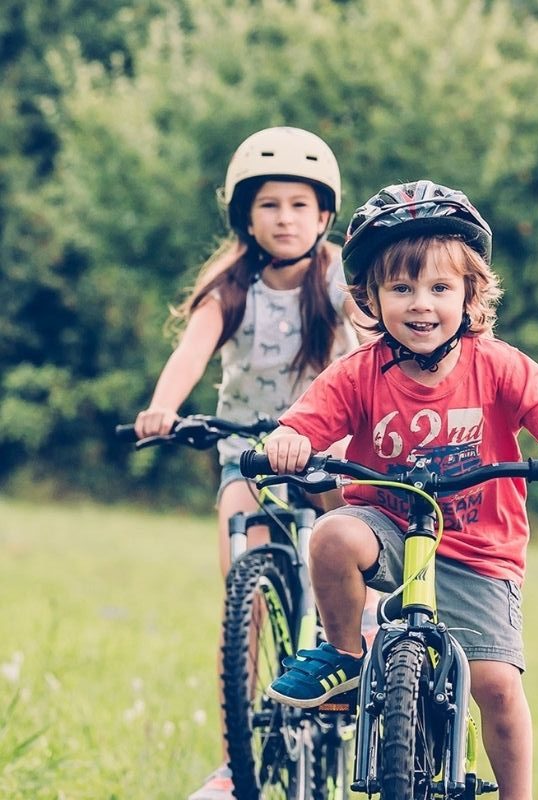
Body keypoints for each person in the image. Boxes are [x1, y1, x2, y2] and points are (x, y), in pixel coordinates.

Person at [260, 179, 538, 800]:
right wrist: (288, 441)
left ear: (470, 295)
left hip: (477, 546)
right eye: (402, 288)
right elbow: (303, 424)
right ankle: (347, 656)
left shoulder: (496, 364)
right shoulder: (360, 374)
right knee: (333, 533)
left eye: (440, 287)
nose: (422, 304)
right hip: (387, 527)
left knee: (495, 684)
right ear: (371, 297)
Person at [132, 126, 364, 800]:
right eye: (269, 205)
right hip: (251, 454)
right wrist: (162, 407)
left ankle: (356, 634)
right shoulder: (233, 285)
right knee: (242, 577)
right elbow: (193, 350)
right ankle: (238, 762)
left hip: (324, 446)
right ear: (245, 217)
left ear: (323, 216)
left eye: (299, 205)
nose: (285, 218)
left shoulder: (334, 272)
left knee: (346, 532)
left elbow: (367, 321)